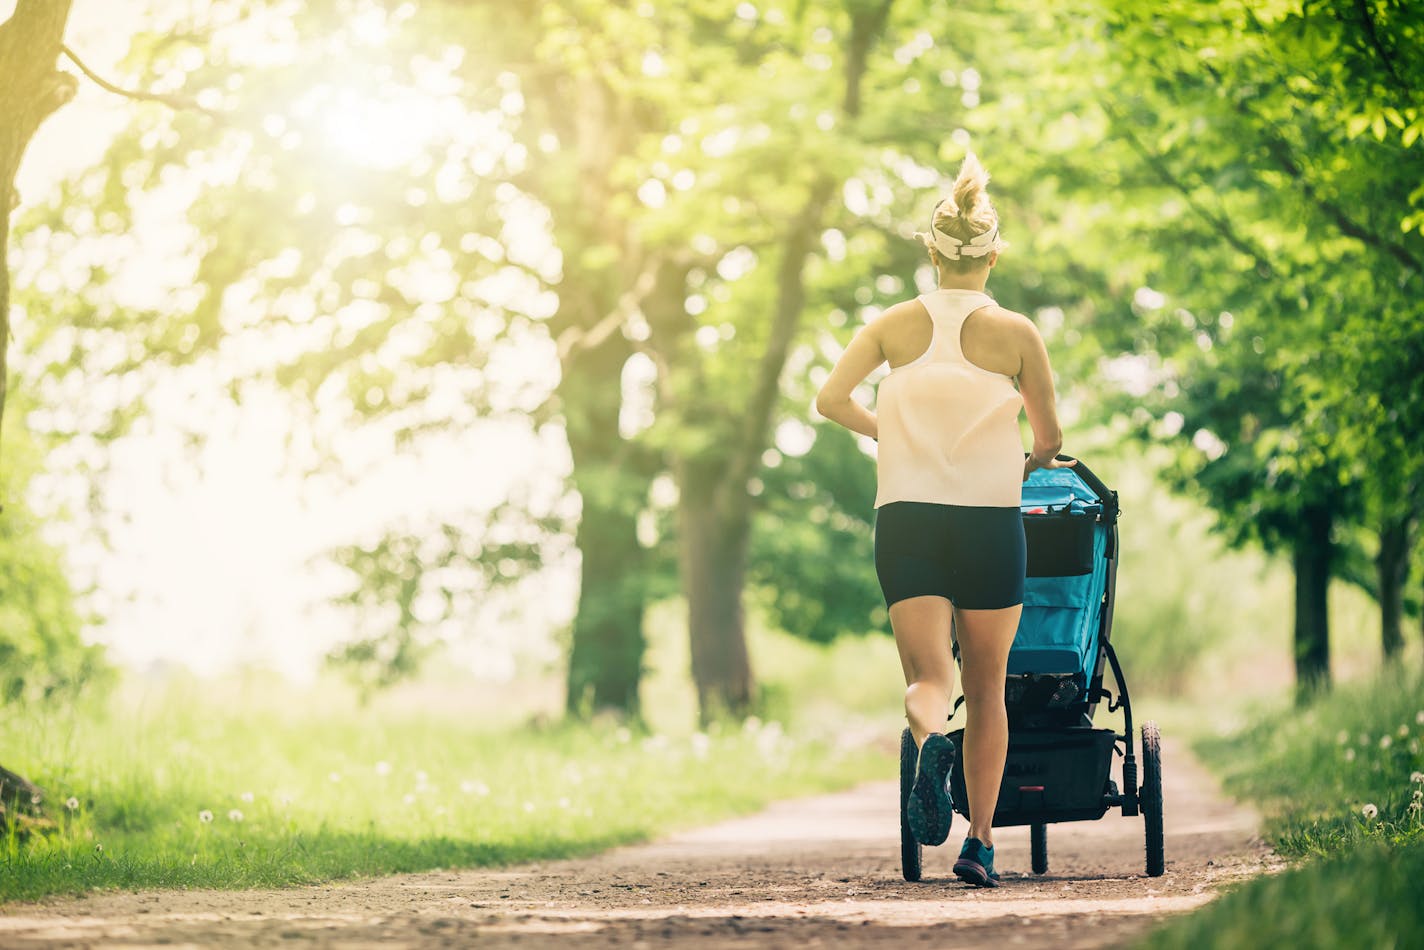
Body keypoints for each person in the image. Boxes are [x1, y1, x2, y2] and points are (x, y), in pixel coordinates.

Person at [814, 153, 1074, 888]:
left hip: (907, 519)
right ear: (993, 255)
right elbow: (1050, 440)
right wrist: (1025, 460)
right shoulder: (1017, 333)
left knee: (930, 677)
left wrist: (886, 432)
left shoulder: (893, 325)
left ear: (931, 254)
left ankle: (931, 740)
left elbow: (830, 400)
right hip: (990, 523)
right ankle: (981, 842)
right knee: (988, 687)